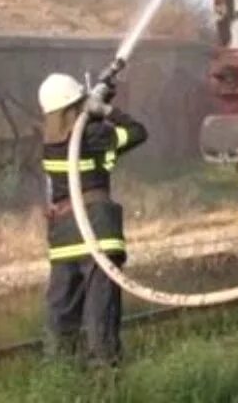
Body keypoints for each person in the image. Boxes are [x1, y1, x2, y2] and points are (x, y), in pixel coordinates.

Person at [37, 72, 147, 367]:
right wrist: (107, 110)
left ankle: (59, 373)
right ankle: (104, 375)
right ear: (78, 104)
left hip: (63, 237)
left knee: (61, 309)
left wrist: (96, 102)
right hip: (96, 231)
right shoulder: (95, 135)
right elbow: (137, 132)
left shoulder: (48, 140)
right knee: (101, 310)